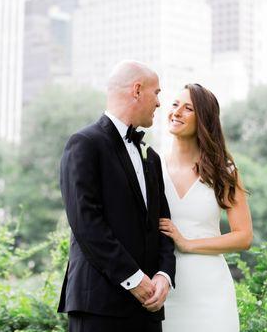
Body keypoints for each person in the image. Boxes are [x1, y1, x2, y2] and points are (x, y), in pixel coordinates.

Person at [57, 60, 176, 332]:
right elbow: (86, 224)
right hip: (98, 305)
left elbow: (163, 224)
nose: (160, 103)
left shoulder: (152, 158)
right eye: (156, 93)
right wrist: (135, 280)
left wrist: (163, 275)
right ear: (137, 90)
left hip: (148, 309)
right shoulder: (84, 144)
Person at [159, 83, 253, 332]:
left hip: (210, 293)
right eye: (175, 105)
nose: (177, 112)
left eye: (188, 108)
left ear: (204, 120)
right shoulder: (151, 166)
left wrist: (188, 243)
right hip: (164, 290)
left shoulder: (224, 171)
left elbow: (243, 236)